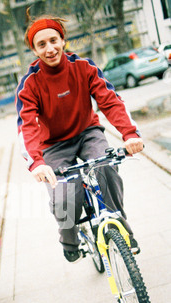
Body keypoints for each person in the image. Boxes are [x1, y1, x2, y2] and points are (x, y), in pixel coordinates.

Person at [16, 14, 143, 263]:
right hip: (52, 145)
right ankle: (70, 239)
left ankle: (121, 226)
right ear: (34, 49)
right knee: (64, 196)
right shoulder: (30, 84)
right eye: (41, 44)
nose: (49, 48)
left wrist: (129, 134)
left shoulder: (84, 67)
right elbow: (26, 126)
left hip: (88, 133)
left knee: (106, 169)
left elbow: (110, 101)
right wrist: (36, 161)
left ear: (63, 40)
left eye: (53, 40)